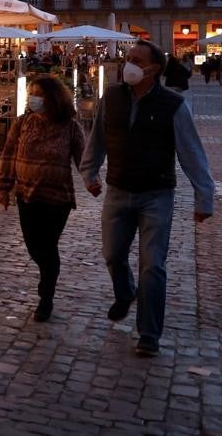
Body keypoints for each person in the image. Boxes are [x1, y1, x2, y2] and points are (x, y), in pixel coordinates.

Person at [80, 39, 214, 357]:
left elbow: (192, 153)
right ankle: (125, 293)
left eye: (137, 61)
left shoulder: (173, 104)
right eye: (129, 58)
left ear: (153, 69)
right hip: (117, 190)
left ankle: (149, 334)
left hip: (157, 194)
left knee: (153, 265)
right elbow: (97, 136)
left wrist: (203, 198)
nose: (129, 64)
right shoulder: (111, 97)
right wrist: (90, 173)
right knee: (113, 255)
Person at [0, 76, 86, 323]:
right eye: (31, 93)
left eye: (39, 93)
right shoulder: (22, 123)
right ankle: (47, 278)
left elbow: (83, 158)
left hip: (57, 197)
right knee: (34, 245)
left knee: (48, 246)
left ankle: (46, 297)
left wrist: (92, 180)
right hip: (27, 195)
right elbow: (8, 154)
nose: (33, 98)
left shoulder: (69, 126)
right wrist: (3, 186)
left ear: (53, 98)